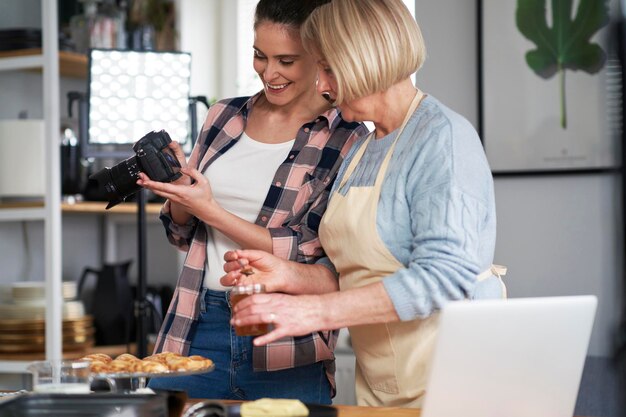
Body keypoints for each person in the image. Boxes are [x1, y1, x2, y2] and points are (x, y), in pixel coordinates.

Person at [223, 0, 506, 408]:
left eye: (329, 68)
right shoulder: (363, 146)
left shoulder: (442, 139)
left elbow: (446, 278)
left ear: (366, 61)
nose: (321, 85)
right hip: (385, 384)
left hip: (456, 380)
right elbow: (356, 272)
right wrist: (286, 275)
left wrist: (315, 314)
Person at [136, 0, 367, 403]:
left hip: (285, 337)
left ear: (322, 56)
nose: (269, 72)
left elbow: (312, 251)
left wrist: (212, 210)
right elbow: (182, 232)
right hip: (196, 323)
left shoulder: (347, 136)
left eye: (287, 60)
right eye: (260, 56)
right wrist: (180, 190)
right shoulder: (223, 116)